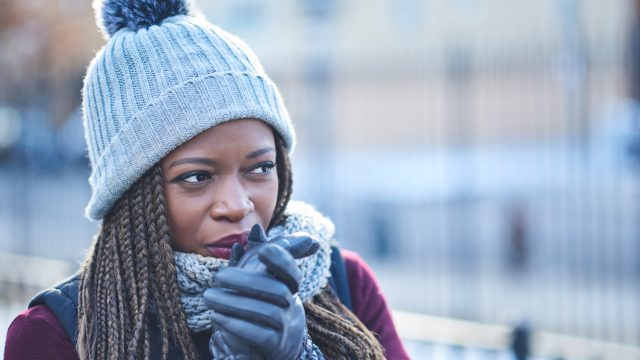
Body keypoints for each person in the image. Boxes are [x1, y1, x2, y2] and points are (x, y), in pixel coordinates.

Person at [4, 0, 409, 359]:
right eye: (196, 176)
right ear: (129, 192)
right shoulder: (56, 335)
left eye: (260, 168)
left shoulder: (342, 282)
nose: (237, 205)